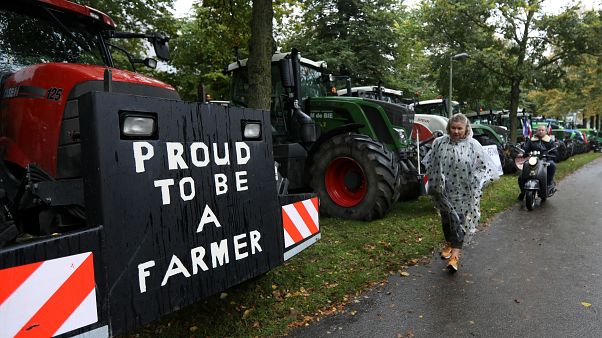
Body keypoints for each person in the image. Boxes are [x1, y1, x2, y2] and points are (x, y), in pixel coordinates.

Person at [423, 113, 499, 272]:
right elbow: (431, 163)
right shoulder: (439, 143)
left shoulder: (474, 145)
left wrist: (475, 181)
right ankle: (450, 243)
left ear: (466, 129)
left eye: (460, 128)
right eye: (453, 128)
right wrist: (435, 183)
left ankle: (455, 257)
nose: (456, 131)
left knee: (458, 221)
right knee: (446, 220)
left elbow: (483, 166)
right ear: (448, 127)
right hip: (444, 190)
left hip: (464, 192)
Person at [517, 125, 557, 201]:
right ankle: (523, 191)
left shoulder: (550, 141)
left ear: (546, 131)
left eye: (542, 130)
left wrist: (549, 155)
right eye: (539, 130)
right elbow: (526, 149)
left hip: (545, 160)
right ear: (536, 131)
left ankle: (548, 184)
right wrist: (523, 154)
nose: (540, 132)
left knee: (552, 165)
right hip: (533, 160)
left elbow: (554, 152)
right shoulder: (531, 140)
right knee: (521, 176)